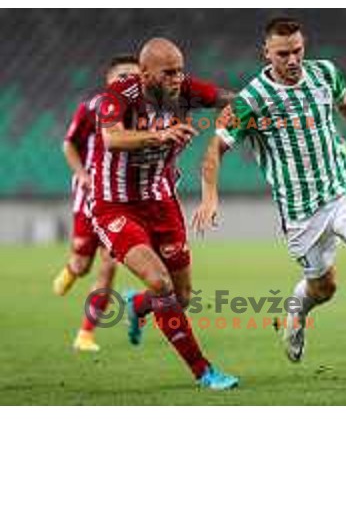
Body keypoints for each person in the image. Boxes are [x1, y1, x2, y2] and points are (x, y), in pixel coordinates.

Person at [193, 17, 346, 387]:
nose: (292, 60)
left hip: (344, 189)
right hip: (301, 211)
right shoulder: (250, 101)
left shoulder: (325, 73)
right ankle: (296, 312)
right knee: (324, 288)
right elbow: (215, 148)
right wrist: (210, 196)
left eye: (297, 51)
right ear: (266, 53)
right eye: (282, 54)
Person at [89, 37, 238, 390]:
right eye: (168, 73)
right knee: (160, 282)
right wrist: (158, 135)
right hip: (115, 205)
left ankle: (138, 306)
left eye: (181, 71)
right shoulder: (118, 96)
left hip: (161, 202)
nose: (177, 79)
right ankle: (204, 371)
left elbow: (233, 100)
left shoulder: (184, 90)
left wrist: (241, 111)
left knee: (181, 297)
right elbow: (112, 139)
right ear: (143, 74)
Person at [53, 54, 141, 352]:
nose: (128, 81)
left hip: (119, 200)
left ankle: (85, 334)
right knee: (82, 264)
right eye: (122, 76)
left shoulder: (147, 111)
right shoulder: (92, 107)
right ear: (108, 81)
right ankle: (72, 269)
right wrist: (82, 175)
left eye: (134, 75)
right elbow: (68, 144)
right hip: (89, 195)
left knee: (109, 265)